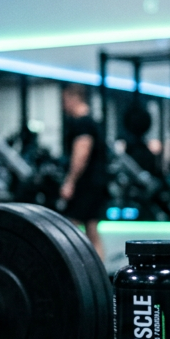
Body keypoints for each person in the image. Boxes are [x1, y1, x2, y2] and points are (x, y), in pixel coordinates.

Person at [59, 83, 108, 258]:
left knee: (70, 227)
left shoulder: (83, 124)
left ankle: (79, 271)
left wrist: (70, 182)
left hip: (86, 184)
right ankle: (97, 276)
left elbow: (82, 153)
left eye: (65, 101)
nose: (64, 106)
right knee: (91, 229)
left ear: (74, 98)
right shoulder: (92, 122)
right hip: (95, 183)